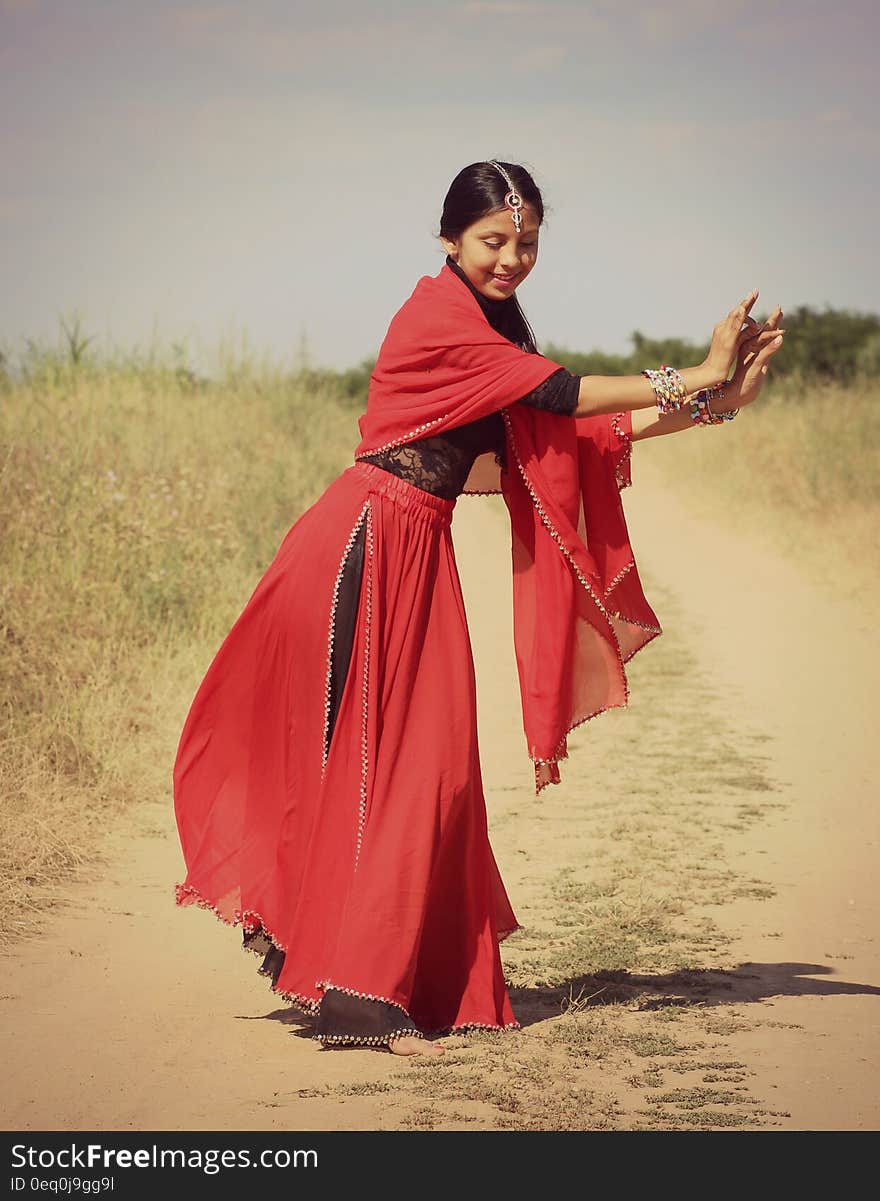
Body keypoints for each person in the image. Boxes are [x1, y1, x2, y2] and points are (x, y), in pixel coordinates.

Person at [173, 160, 785, 1059]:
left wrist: (716, 404)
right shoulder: (440, 320)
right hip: (369, 544)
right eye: (495, 240)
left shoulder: (487, 330)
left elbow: (559, 440)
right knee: (397, 766)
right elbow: (564, 395)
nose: (512, 258)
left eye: (527, 241)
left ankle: (376, 974)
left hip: (417, 548)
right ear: (451, 240)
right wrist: (692, 370)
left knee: (435, 767)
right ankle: (353, 988)